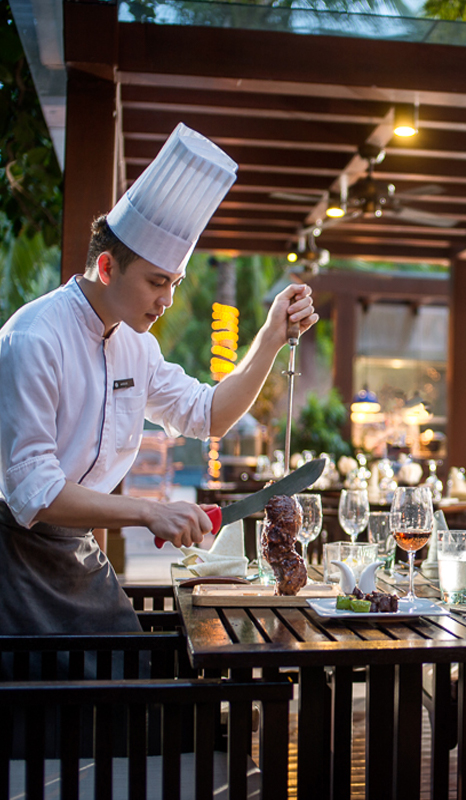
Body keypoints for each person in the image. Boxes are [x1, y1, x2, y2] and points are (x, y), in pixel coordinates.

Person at [0, 123, 318, 635]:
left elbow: (209, 415)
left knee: (130, 670)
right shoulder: (33, 337)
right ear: (107, 268)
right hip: (14, 558)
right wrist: (149, 513)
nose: (168, 299)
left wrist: (271, 337)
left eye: (175, 283)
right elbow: (32, 491)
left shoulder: (138, 346)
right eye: (156, 282)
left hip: (79, 550)